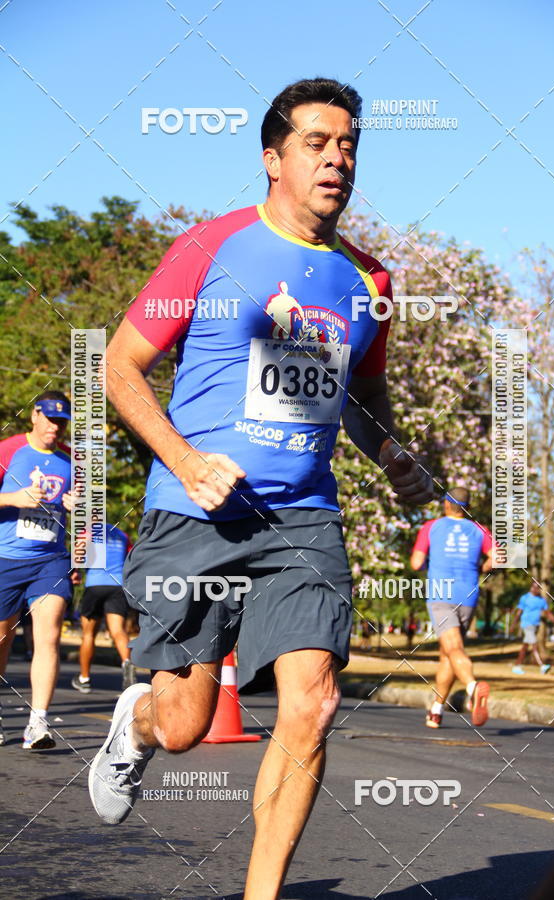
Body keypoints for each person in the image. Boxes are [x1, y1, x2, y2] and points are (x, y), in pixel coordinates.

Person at [88, 77, 432, 899]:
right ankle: (133, 724)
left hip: (304, 518)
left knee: (311, 704)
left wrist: (390, 453)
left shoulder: (370, 283)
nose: (337, 159)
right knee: (185, 727)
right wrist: (186, 459)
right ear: (272, 159)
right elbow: (119, 367)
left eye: (348, 144)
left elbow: (360, 396)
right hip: (197, 507)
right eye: (317, 143)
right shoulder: (210, 247)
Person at [0, 391, 76, 749]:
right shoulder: (9, 449)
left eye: (60, 422)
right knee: (3, 639)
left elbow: (86, 513)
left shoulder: (70, 460)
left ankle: (38, 724)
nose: (54, 427)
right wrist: (14, 499)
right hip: (5, 559)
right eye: (48, 419)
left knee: (49, 635)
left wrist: (76, 505)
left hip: (50, 559)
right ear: (34, 415)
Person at [410, 487, 494, 729]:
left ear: (447, 504)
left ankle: (472, 687)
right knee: (448, 653)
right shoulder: (480, 529)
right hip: (468, 595)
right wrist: (482, 567)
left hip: (441, 594)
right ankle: (436, 710)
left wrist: (430, 562)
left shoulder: (431, 527)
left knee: (453, 648)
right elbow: (496, 558)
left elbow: (416, 562)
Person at [71, 523, 136, 694]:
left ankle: (84, 679)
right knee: (118, 631)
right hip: (117, 586)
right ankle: (127, 663)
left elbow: (79, 549)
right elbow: (131, 559)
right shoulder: (122, 535)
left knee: (88, 634)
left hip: (95, 584)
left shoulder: (89, 530)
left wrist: (75, 571)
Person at [511, 581, 554, 674]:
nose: (536, 589)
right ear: (531, 587)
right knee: (534, 644)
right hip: (526, 624)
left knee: (525, 646)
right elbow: (519, 612)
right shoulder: (525, 598)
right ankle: (542, 666)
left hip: (535, 625)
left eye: (538, 588)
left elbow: (547, 613)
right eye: (534, 587)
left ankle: (516, 666)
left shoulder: (541, 600)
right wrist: (513, 624)